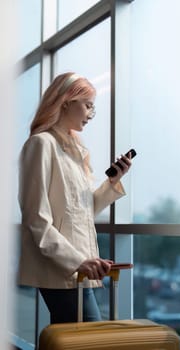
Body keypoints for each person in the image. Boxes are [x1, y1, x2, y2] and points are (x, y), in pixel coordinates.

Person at [18, 72, 132, 324]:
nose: (91, 114)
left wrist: (112, 182)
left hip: (79, 264)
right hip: (61, 265)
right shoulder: (41, 144)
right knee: (83, 337)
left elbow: (82, 211)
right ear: (67, 101)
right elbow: (36, 217)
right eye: (88, 105)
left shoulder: (73, 152)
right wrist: (77, 260)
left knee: (69, 338)